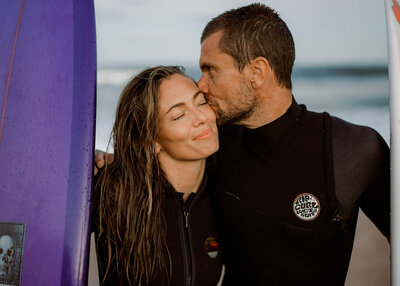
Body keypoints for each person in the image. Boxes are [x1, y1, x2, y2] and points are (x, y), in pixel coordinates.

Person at [95, 3, 390, 285]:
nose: (201, 85)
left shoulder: (353, 150)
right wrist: (100, 161)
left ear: (257, 72)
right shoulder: (215, 146)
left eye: (211, 70)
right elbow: (158, 159)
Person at [92, 66, 222, 285]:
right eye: (179, 115)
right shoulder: (112, 189)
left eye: (201, 102)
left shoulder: (225, 192)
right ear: (149, 140)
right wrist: (82, 161)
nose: (202, 117)